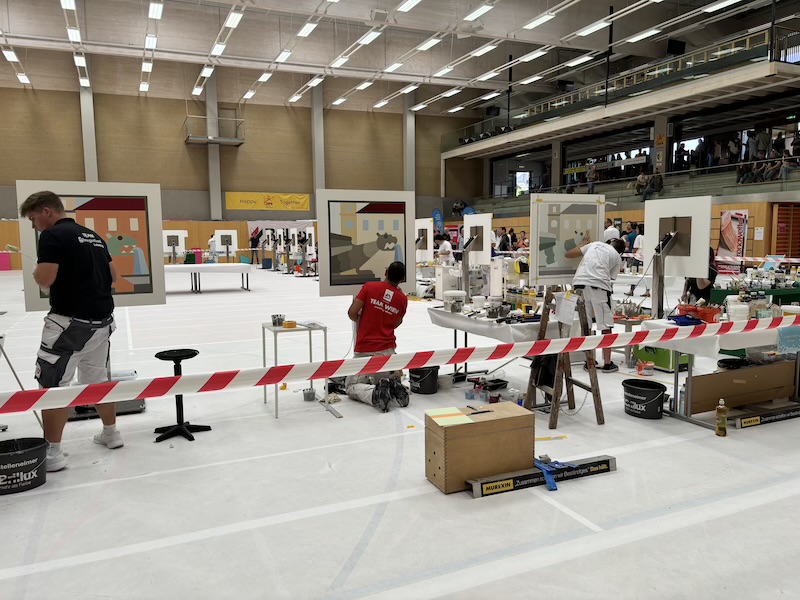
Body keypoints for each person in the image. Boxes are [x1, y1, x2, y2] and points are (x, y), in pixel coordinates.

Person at [19, 191, 122, 472]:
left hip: (69, 325)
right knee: (98, 380)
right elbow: (113, 276)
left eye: (33, 219)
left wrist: (37, 272)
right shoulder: (92, 236)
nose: (34, 225)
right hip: (101, 323)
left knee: (52, 385)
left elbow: (45, 279)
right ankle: (111, 433)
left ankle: (52, 454)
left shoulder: (51, 236)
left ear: (46, 211)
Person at [346, 262, 409, 412]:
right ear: (402, 279)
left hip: (365, 352)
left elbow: (352, 313)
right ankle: (392, 384)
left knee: (351, 386)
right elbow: (396, 323)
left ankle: (375, 393)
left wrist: (364, 319)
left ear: (386, 272)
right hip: (388, 354)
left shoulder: (369, 287)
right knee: (380, 378)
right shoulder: (402, 299)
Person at [565, 237, 626, 373]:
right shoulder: (616, 256)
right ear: (620, 251)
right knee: (605, 325)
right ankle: (608, 363)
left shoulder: (594, 245)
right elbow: (611, 277)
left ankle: (589, 361)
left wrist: (581, 245)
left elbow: (568, 254)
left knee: (586, 324)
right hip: (599, 286)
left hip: (579, 284)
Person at [627, 231, 650, 297]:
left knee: (633, 274)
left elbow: (636, 247)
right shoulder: (650, 236)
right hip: (647, 258)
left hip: (638, 257)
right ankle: (647, 291)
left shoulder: (639, 237)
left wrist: (633, 253)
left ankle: (631, 290)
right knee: (647, 275)